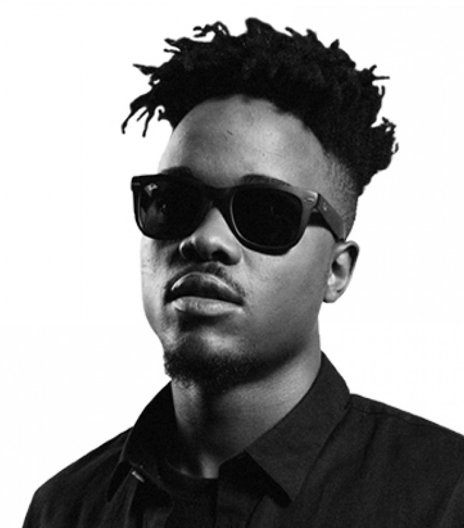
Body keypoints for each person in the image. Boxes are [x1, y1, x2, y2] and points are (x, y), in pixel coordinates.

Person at [23, 18, 464, 527]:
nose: (205, 239)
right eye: (173, 201)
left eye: (265, 213)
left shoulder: (445, 496)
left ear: (336, 271)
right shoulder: (64, 509)